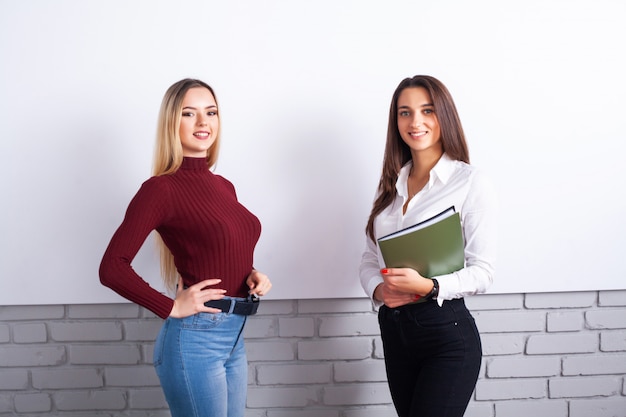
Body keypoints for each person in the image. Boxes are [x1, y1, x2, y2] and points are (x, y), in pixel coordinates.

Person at [99, 78, 272, 417]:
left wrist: (251, 274)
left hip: (234, 336)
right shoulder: (160, 189)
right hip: (196, 341)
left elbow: (221, 247)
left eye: (211, 112)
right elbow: (112, 266)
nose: (203, 122)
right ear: (171, 122)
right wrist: (170, 306)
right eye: (189, 114)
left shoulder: (224, 186)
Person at [359, 75, 497, 417]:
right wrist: (379, 291)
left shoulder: (469, 181)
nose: (415, 122)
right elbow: (368, 257)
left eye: (427, 110)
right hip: (395, 331)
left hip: (445, 332)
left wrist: (430, 286)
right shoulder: (390, 185)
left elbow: (483, 272)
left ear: (444, 116)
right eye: (405, 113)